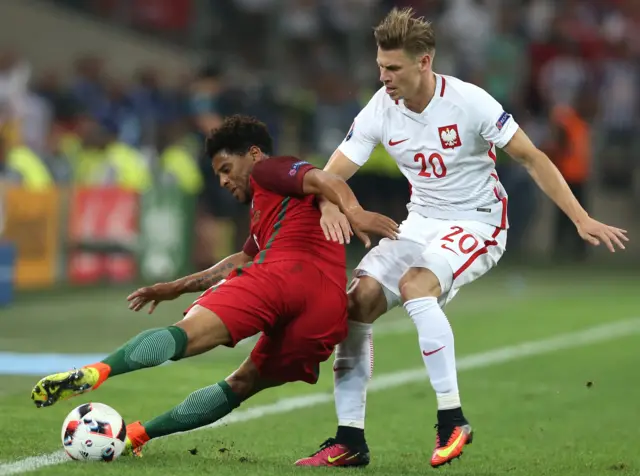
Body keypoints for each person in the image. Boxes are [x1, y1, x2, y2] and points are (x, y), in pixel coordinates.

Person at [295, 7, 628, 469]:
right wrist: (330, 202)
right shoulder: (380, 107)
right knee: (357, 301)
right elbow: (334, 169)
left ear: (424, 62)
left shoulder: (470, 102)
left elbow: (532, 158)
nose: (384, 77)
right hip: (420, 220)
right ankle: (350, 438)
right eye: (380, 66)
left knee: (416, 285)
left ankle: (452, 419)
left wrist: (580, 217)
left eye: (393, 68)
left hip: (478, 221)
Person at [30, 115, 399, 456]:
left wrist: (355, 212)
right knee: (240, 384)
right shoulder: (270, 212)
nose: (223, 180)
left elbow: (327, 178)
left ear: (253, 155)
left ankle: (97, 372)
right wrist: (177, 286)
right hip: (324, 308)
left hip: (283, 273)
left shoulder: (269, 169)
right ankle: (136, 436)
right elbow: (242, 259)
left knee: (186, 335)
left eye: (226, 169)